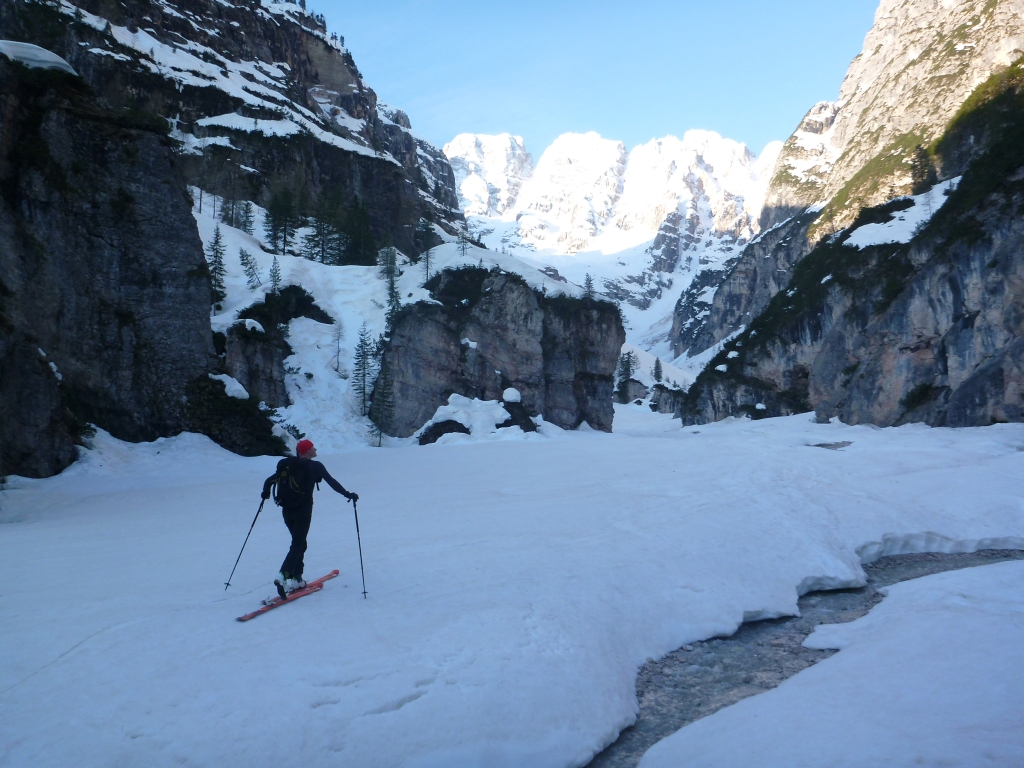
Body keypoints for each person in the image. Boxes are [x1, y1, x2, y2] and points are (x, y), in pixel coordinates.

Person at [262, 438, 358, 598]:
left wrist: (265, 494)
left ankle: (296, 579)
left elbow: (269, 481)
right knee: (298, 543)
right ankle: (283, 575)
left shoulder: (288, 465)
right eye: (313, 448)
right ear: (306, 450)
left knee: (299, 542)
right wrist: (348, 494)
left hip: (286, 509)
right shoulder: (315, 466)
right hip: (303, 510)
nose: (316, 450)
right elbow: (332, 482)